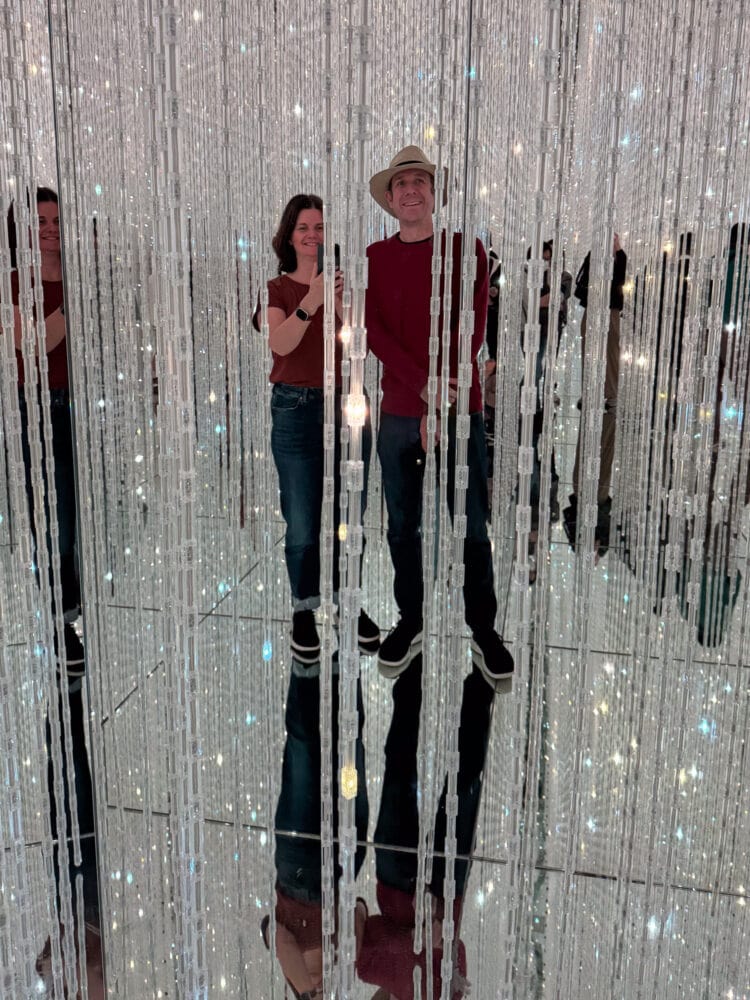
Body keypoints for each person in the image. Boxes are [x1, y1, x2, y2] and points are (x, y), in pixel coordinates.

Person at [4, 188, 104, 997]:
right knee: (47, 524)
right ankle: (57, 616)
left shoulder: (81, 277)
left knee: (74, 525)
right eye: (37, 222)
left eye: (53, 221)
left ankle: (70, 617)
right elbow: (31, 348)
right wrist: (59, 326)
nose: (47, 231)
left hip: (74, 410)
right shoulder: (18, 284)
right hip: (34, 410)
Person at [365, 145, 513, 686]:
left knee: (472, 522)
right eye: (400, 183)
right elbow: (376, 332)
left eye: (419, 181)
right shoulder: (374, 259)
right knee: (401, 524)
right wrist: (422, 388)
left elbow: (470, 328)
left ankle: (484, 629)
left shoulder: (464, 250)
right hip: (401, 411)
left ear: (434, 192)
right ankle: (412, 619)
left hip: (459, 407)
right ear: (389, 198)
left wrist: (442, 396)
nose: (410, 190)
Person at [260, 194, 379, 663]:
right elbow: (281, 344)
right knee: (304, 520)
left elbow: (361, 343)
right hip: (295, 407)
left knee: (350, 515)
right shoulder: (276, 289)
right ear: (290, 234)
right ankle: (305, 610)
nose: (313, 235)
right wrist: (312, 301)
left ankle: (347, 603)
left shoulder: (345, 284)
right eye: (304, 227)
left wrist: (348, 304)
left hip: (347, 407)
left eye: (320, 227)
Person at [356, 657, 493, 998]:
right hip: (446, 888)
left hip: (395, 880)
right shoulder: (441, 994)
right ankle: (482, 677)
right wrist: (430, 936)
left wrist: (420, 938)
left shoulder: (367, 969)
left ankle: (412, 665)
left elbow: (363, 922)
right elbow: (456, 950)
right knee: (464, 782)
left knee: (400, 770)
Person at [263, 659, 369, 998]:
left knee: (304, 754)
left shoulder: (293, 975)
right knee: (351, 756)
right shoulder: (345, 966)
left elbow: (275, 932)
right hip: (346, 858)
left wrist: (308, 992)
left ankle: (305, 663)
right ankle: (345, 661)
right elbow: (361, 910)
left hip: (297, 868)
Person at [562, 234, 627, 558]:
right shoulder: (602, 257)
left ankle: (603, 395)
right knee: (601, 355)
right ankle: (602, 395)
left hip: (605, 309)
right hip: (603, 309)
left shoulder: (609, 258)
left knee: (606, 356)